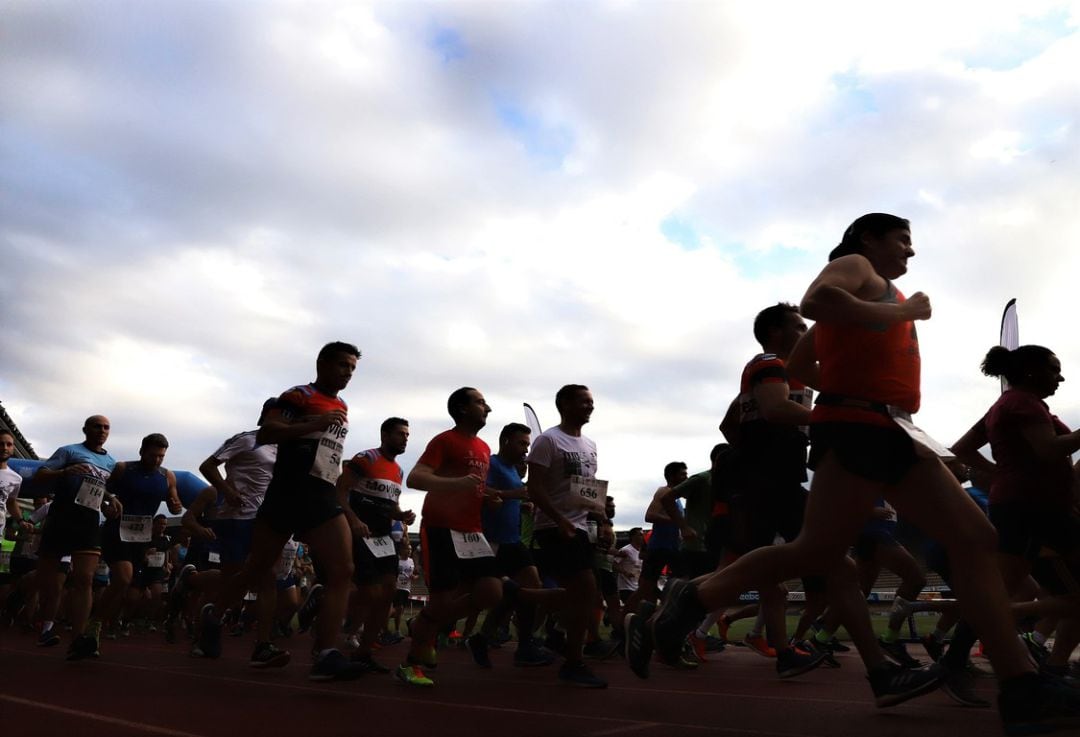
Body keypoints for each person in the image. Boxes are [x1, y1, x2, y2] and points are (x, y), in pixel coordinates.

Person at [629, 214, 1069, 725]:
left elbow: (798, 366)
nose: (911, 250)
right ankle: (695, 595)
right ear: (869, 239)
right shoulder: (856, 268)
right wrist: (868, 361)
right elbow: (816, 301)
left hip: (892, 427)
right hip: (860, 427)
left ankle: (1021, 686)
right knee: (818, 551)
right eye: (903, 239)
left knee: (973, 538)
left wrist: (847, 378)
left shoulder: (885, 298)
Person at [193, 342, 363, 681]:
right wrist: (312, 425)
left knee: (343, 570)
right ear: (322, 363)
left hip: (321, 495)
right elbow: (269, 432)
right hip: (286, 494)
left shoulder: (341, 405)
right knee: (256, 570)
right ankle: (213, 614)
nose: (348, 373)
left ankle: (326, 653)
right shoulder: (297, 396)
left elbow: (326, 449)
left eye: (353, 368)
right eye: (343, 365)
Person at [950, 346, 1080, 691]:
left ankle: (1046, 663)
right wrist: (1004, 474)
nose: (1061, 377)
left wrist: (999, 473)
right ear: (1031, 371)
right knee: (1001, 591)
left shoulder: (1006, 405)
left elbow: (961, 448)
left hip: (1030, 507)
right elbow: (1049, 449)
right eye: (1055, 369)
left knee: (1002, 589)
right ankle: (1002, 632)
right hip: (1034, 509)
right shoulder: (1023, 403)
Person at [396, 388, 504, 687]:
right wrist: (457, 484)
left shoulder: (483, 447)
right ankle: (410, 664)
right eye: (481, 403)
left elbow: (471, 488)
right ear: (462, 409)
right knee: (442, 599)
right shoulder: (445, 440)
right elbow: (416, 478)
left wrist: (488, 497)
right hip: (441, 528)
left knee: (492, 592)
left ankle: (424, 624)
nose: (488, 408)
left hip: (472, 531)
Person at [527, 384, 609, 688]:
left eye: (592, 401)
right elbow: (533, 487)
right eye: (585, 402)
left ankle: (558, 635)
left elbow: (587, 490)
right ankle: (573, 661)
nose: (591, 406)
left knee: (582, 594)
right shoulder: (548, 441)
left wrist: (602, 521)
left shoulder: (590, 444)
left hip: (581, 527)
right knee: (585, 591)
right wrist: (559, 519)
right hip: (554, 528)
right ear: (565, 404)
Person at [33, 415, 120, 659]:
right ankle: (46, 626)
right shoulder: (68, 451)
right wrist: (64, 471)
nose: (102, 431)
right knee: (50, 581)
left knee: (84, 579)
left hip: (88, 522)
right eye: (97, 426)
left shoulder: (111, 463)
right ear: (85, 429)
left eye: (106, 427)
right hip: (61, 518)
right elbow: (40, 475)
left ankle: (78, 639)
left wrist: (111, 500)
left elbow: (104, 492)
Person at [337, 417, 416, 673]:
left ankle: (364, 652)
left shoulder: (399, 471)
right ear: (385, 435)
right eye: (400, 434)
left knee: (388, 593)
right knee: (371, 592)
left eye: (407, 434)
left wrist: (402, 515)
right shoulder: (366, 459)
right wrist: (354, 520)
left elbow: (389, 505)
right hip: (361, 534)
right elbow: (340, 491)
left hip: (384, 538)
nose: (405, 438)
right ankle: (342, 623)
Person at [97, 433, 182, 639]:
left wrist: (175, 505)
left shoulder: (167, 476)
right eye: (153, 455)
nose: (157, 460)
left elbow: (175, 504)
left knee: (127, 584)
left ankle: (109, 621)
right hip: (117, 529)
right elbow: (98, 490)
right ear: (141, 452)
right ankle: (94, 622)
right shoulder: (123, 468)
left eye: (161, 456)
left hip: (142, 535)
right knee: (123, 578)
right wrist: (105, 506)